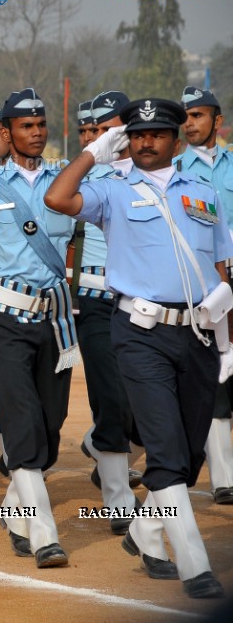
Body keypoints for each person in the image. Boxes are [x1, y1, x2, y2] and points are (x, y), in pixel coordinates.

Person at [45, 97, 229, 599]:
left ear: (175, 139)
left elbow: (220, 266)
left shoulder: (203, 191)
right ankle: (194, 563)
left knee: (189, 457)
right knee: (167, 450)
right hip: (139, 332)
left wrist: (227, 342)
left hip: (197, 333)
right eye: (137, 134)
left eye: (157, 133)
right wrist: (92, 154)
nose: (147, 141)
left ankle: (145, 531)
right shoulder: (111, 191)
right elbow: (58, 200)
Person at [0, 88, 74, 568]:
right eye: (27, 126)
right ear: (8, 133)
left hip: (58, 320)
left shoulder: (65, 183)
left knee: (51, 425)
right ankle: (45, 534)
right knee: (22, 421)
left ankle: (15, 507)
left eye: (41, 124)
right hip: (8, 320)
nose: (38, 132)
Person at [72, 90, 142, 534]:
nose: (96, 138)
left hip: (141, 303)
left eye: (105, 129)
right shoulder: (73, 180)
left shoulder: (146, 176)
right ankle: (119, 499)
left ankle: (97, 442)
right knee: (112, 397)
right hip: (94, 301)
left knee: (143, 402)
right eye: (87, 131)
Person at [177, 86, 233, 506]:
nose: (190, 123)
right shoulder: (176, 170)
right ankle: (223, 478)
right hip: (205, 287)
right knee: (214, 377)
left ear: (218, 120)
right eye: (186, 116)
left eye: (198, 115)